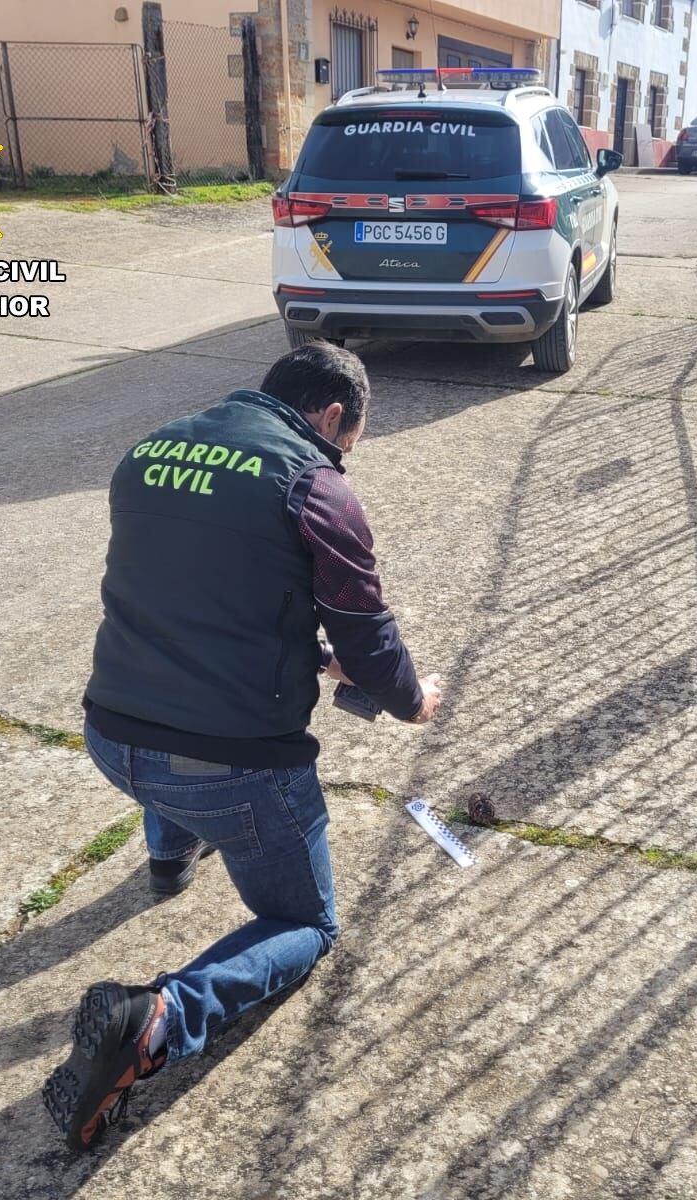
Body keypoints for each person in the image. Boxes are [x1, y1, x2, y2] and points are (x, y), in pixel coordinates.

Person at [42, 342, 442, 1150]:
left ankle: (169, 859)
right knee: (306, 923)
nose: (343, 458)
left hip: (111, 736)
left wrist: (311, 654)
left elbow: (203, 596)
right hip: (227, 768)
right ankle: (157, 1020)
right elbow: (370, 642)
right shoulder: (315, 486)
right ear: (334, 415)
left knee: (173, 753)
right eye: (349, 442)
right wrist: (412, 701)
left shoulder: (150, 449)